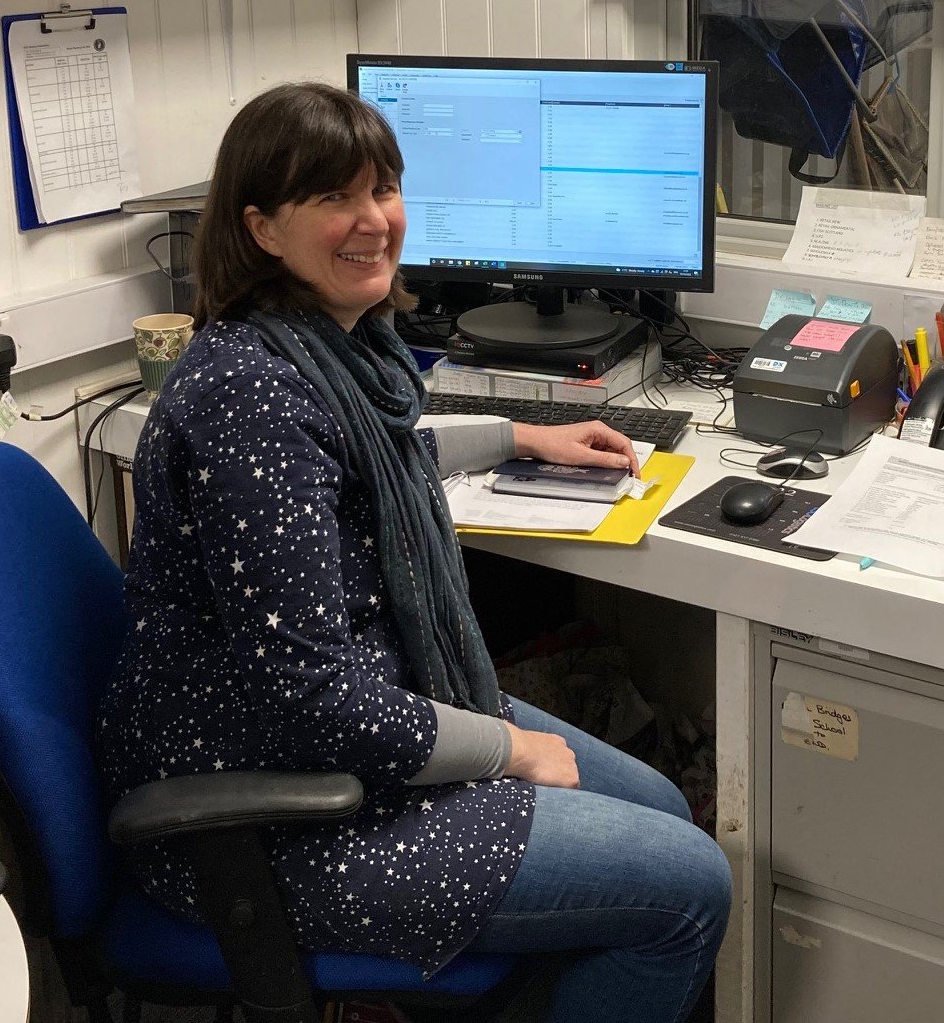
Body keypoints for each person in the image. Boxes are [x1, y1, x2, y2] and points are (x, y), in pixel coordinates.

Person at [96, 82, 731, 1022]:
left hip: (367, 719)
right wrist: (508, 748)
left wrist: (519, 438)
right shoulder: (251, 400)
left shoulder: (326, 352)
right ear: (262, 229)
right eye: (334, 200)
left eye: (383, 188)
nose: (374, 221)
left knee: (661, 810)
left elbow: (369, 457)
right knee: (689, 887)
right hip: (282, 809)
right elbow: (311, 697)